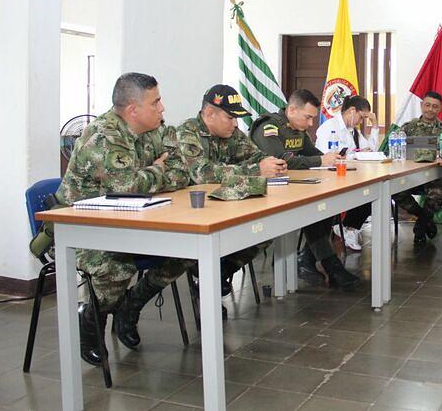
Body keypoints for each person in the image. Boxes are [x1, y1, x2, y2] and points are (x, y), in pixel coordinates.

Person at [51, 73, 192, 366]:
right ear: (133, 110)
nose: (162, 108)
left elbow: (182, 174)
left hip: (132, 222)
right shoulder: (103, 136)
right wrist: (155, 171)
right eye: (156, 102)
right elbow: (125, 186)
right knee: (117, 267)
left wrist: (149, 175)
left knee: (186, 252)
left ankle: (130, 305)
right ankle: (91, 320)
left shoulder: (157, 128)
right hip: (82, 229)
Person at [177, 84, 288, 295]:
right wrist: (257, 170)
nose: (235, 123)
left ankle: (218, 274)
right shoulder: (188, 132)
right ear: (209, 113)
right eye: (230, 118)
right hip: (194, 212)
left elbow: (255, 155)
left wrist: (271, 163)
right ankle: (211, 278)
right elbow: (201, 173)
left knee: (266, 230)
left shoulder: (232, 133)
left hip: (225, 204)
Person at [249, 89, 360, 290]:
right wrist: (320, 160)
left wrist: (332, 159)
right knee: (315, 209)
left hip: (294, 187)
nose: (310, 124)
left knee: (326, 207)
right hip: (269, 193)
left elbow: (313, 153)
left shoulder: (297, 129)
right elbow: (282, 161)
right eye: (307, 117)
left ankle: (311, 261)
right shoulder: (269, 127)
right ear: (292, 109)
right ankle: (330, 266)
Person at [392, 91, 442, 245]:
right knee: (395, 190)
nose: (430, 109)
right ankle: (425, 220)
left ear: (440, 109)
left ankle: (420, 227)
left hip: (435, 176)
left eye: (435, 107)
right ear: (421, 105)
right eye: (427, 105)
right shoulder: (408, 127)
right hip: (410, 174)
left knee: (438, 193)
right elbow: (395, 145)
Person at [315, 95, 379, 251]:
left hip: (349, 176)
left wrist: (375, 126)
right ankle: (347, 228)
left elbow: (372, 150)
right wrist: (354, 155)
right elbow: (326, 157)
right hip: (328, 178)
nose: (361, 121)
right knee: (364, 193)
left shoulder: (353, 132)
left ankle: (349, 228)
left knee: (374, 191)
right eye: (361, 117)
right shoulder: (330, 127)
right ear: (352, 111)